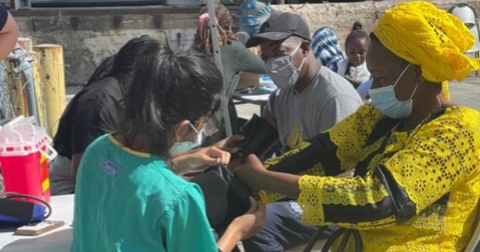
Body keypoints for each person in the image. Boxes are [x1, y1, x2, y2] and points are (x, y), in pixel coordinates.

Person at [235, 1, 480, 251]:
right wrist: (246, 184)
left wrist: (269, 180)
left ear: (416, 73)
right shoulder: (381, 118)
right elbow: (324, 152)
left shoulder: (460, 131)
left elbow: (378, 200)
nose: (372, 89)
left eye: (380, 77)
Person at [71, 41, 265, 252]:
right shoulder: (179, 197)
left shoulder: (98, 150)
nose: (204, 129)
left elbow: (133, 178)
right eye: (204, 122)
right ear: (181, 129)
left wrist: (185, 161)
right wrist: (238, 229)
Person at [240, 12, 363, 251]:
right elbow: (259, 136)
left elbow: (348, 176)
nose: (272, 64)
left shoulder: (335, 98)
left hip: (333, 201)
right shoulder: (282, 96)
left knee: (258, 226)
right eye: (266, 57)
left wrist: (276, 186)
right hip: (293, 191)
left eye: (279, 53)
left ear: (305, 48)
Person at [51, 36, 233, 195]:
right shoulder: (100, 103)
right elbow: (90, 177)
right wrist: (239, 229)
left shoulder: (127, 117)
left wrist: (193, 157)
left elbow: (135, 168)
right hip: (72, 191)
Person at [193, 5, 266, 137]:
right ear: (229, 26)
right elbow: (266, 67)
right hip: (215, 125)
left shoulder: (193, 49)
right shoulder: (233, 50)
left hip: (195, 121)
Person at [335, 21, 371, 89]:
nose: (357, 56)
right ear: (346, 51)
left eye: (361, 52)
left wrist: (357, 83)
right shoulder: (342, 65)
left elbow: (369, 88)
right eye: (352, 52)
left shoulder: (368, 69)